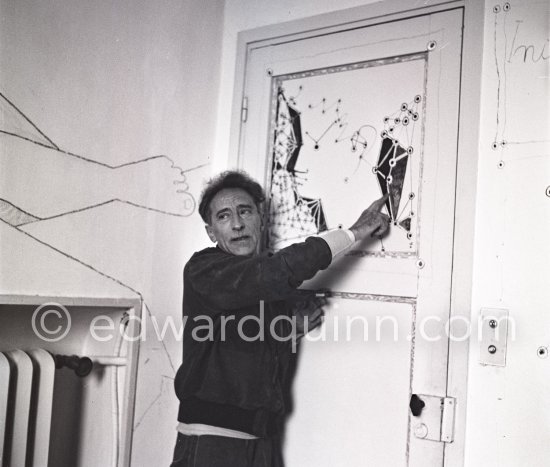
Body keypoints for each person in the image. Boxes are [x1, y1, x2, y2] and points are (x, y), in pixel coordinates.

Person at [171, 170, 390, 467]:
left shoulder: (263, 285)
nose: (237, 224)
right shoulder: (203, 270)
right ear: (211, 233)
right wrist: (354, 232)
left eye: (245, 211)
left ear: (260, 219)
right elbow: (275, 273)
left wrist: (290, 330)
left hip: (262, 445)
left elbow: (245, 338)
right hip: (212, 444)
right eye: (223, 217)